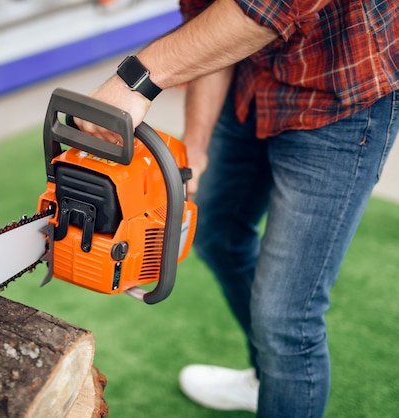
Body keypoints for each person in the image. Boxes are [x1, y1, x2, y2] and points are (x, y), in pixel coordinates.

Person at [77, 0, 399, 416]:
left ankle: (279, 367)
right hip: (254, 78)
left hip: (341, 96)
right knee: (219, 237)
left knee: (285, 320)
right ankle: (270, 377)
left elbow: (266, 9)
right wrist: (192, 151)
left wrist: (136, 79)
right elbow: (211, 21)